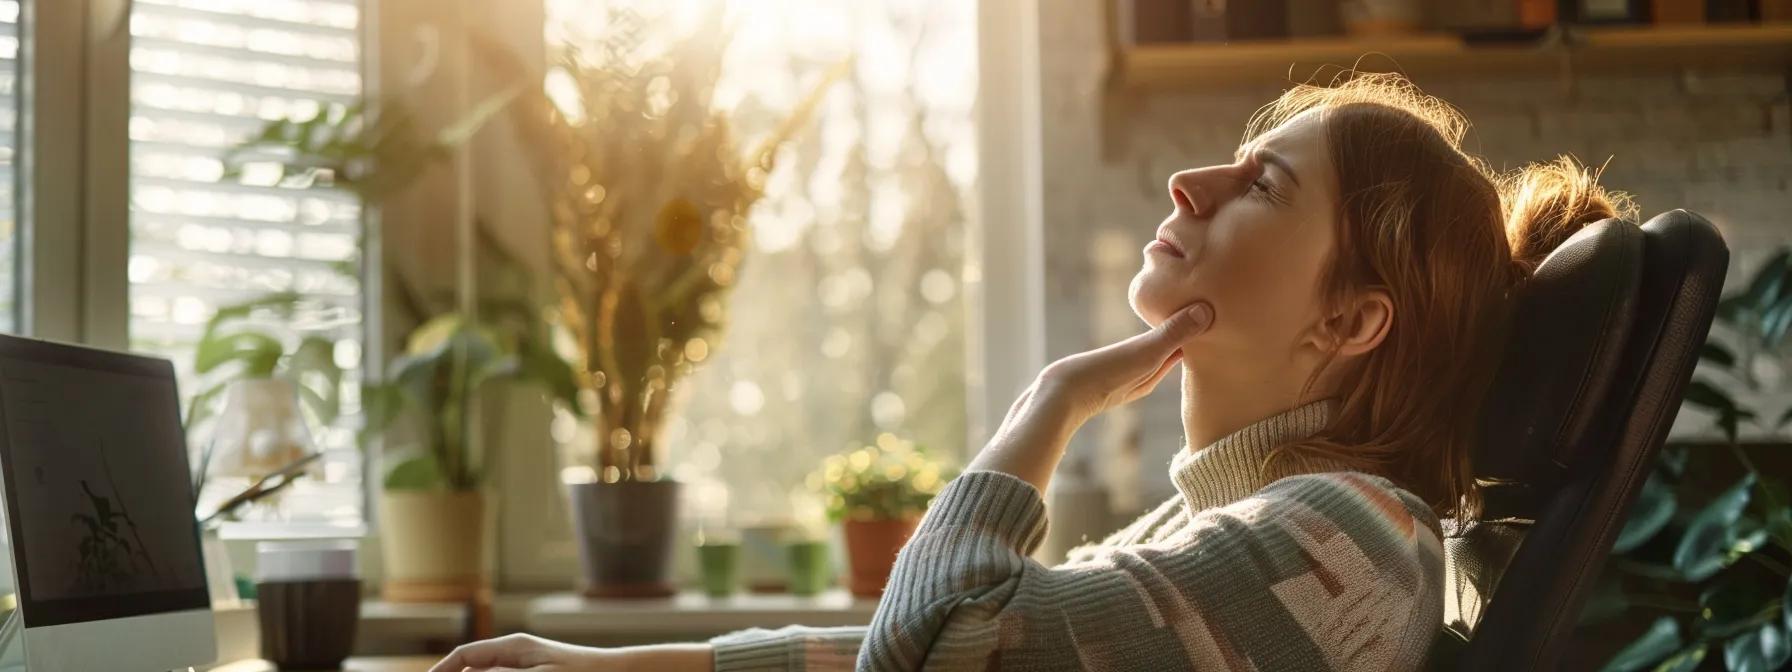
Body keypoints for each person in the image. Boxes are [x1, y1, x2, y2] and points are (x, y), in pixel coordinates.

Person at [427, 72, 1631, 672]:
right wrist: (599, 669)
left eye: (1263, 185)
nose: (1190, 187)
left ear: (1351, 322)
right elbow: (896, 654)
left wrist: (1045, 404)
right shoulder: (1247, 525)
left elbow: (946, 646)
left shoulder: (1347, 540)